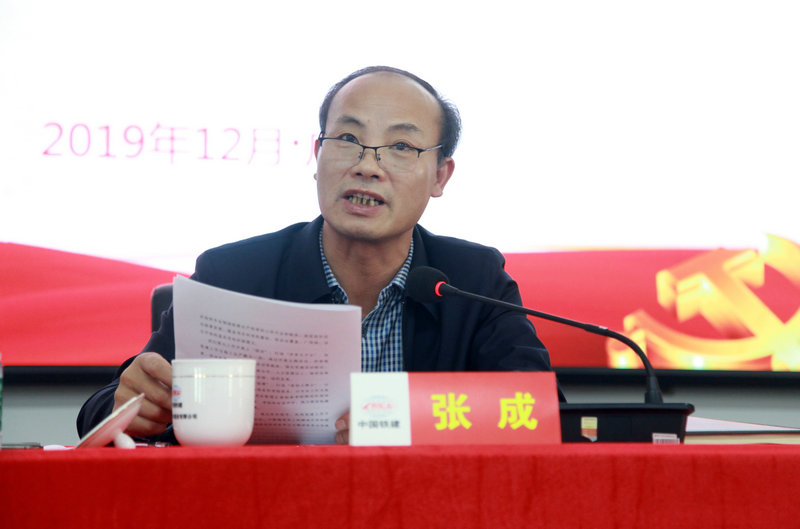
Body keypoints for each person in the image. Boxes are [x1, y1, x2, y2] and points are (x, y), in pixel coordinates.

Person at [77, 66, 558, 445]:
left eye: (400, 146)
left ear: (440, 176)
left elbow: (543, 413)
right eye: (347, 139)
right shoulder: (232, 275)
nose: (367, 165)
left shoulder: (472, 279)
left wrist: (405, 419)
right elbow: (99, 415)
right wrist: (130, 407)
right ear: (317, 154)